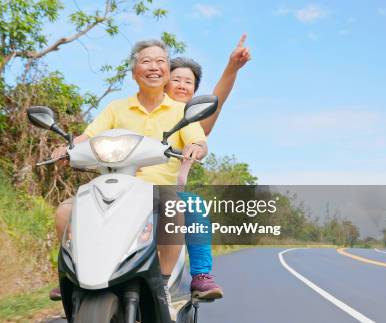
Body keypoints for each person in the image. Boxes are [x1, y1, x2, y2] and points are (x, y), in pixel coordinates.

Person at [48, 40, 208, 316]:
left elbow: (197, 140)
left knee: (175, 210)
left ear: (167, 72)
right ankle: (74, 275)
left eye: (161, 61)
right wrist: (67, 148)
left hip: (157, 190)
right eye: (146, 61)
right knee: (66, 212)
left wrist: (196, 147)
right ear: (134, 71)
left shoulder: (181, 112)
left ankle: (165, 285)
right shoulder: (116, 109)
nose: (154, 66)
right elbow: (86, 137)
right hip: (113, 186)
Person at [164, 34, 251, 300]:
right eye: (175, 79)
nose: (181, 85)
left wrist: (231, 68)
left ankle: (201, 274)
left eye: (188, 82)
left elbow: (217, 101)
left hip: (166, 194)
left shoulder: (189, 120)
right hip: (128, 188)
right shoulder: (139, 110)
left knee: (194, 205)